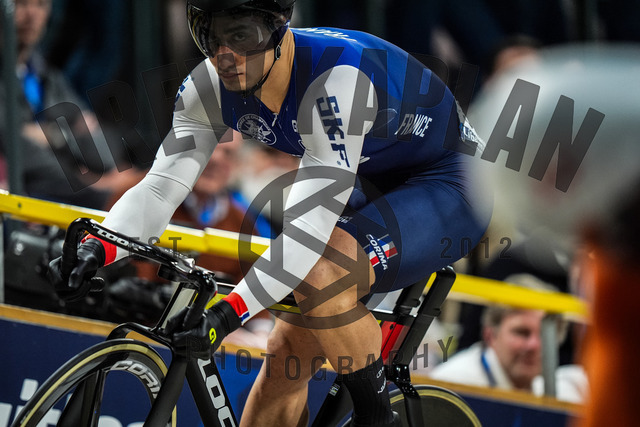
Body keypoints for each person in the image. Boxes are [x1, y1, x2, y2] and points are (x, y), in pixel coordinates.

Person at [48, 1, 490, 426]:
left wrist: (225, 315)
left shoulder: (335, 82)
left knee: (323, 276)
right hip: (370, 170)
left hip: (452, 181)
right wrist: (97, 248)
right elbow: (160, 188)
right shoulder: (208, 85)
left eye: (243, 36)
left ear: (279, 28)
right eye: (209, 36)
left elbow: (306, 231)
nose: (225, 56)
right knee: (284, 359)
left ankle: (378, 420)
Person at [429, 274, 588, 403]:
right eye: (522, 332)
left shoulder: (563, 391)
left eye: (544, 336)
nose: (534, 345)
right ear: (490, 335)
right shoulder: (452, 387)